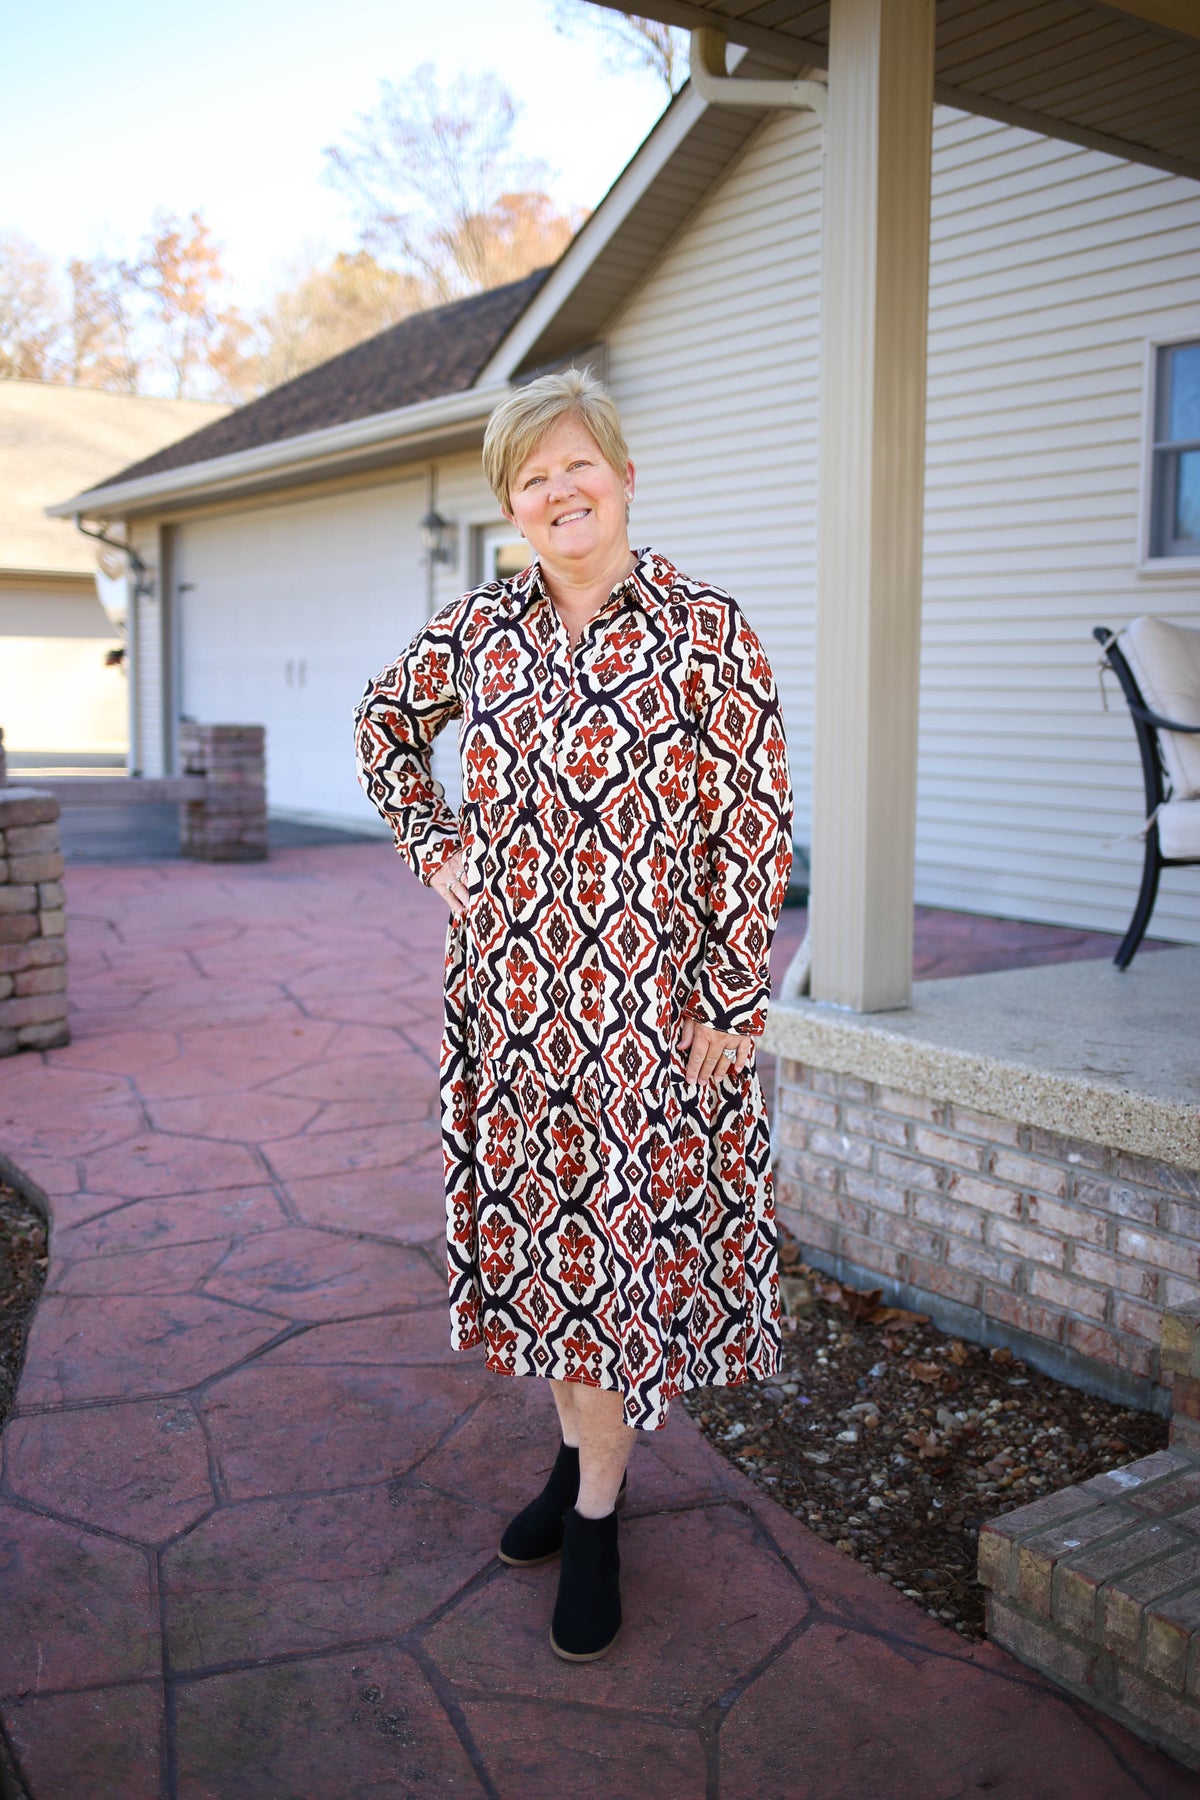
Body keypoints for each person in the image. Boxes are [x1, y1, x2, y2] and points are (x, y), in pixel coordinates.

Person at [354, 368, 793, 1662]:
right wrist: (434, 844)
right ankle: (574, 1462)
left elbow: (752, 819)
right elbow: (385, 726)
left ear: (623, 475)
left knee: (611, 1261)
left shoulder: (706, 627)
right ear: (511, 506)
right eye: (530, 477)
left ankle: (595, 1511)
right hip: (510, 1011)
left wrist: (729, 988)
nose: (558, 490)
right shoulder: (479, 629)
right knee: (557, 1257)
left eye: (575, 465)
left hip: (645, 1019)